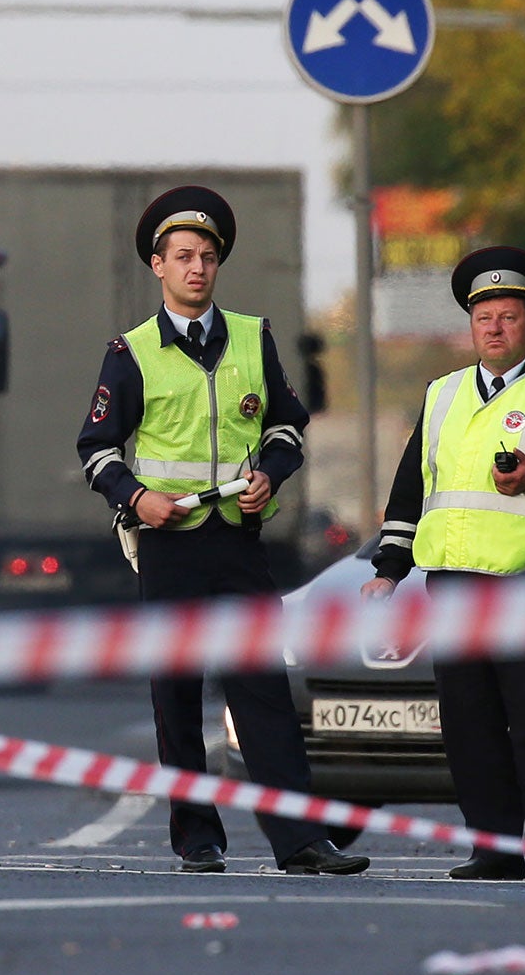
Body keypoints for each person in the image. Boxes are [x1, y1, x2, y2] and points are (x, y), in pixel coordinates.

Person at [77, 185, 368, 876]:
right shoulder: (132, 351)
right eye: (183, 256)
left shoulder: (252, 337)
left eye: (208, 256)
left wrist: (272, 472)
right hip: (168, 542)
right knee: (177, 693)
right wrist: (138, 497)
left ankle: (299, 841)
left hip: (237, 539)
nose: (197, 268)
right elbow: (95, 449)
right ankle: (197, 837)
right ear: (158, 265)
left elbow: (288, 428)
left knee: (262, 690)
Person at [361, 246, 525, 881]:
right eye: (484, 317)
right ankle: (494, 849)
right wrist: (388, 569)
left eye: (508, 316)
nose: (495, 327)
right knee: (471, 727)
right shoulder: (441, 396)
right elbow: (411, 491)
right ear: (470, 325)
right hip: (452, 584)